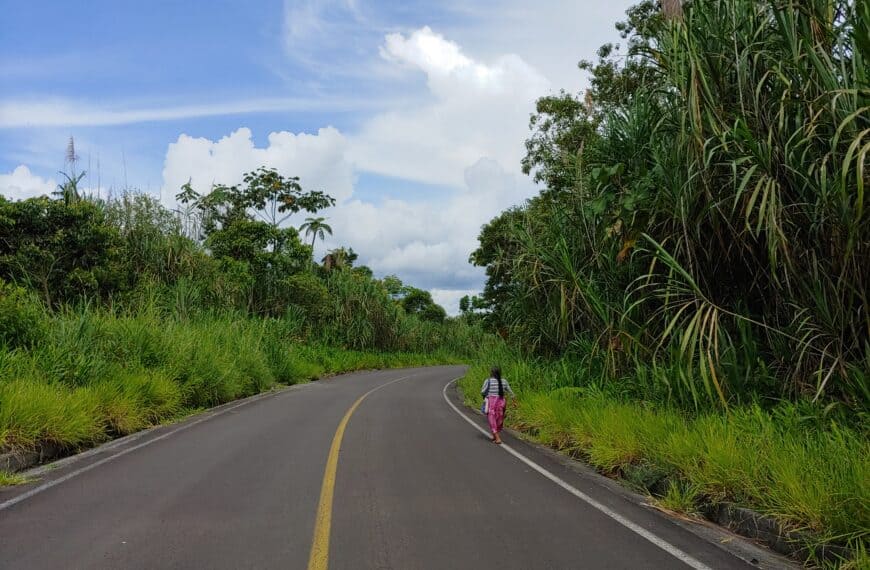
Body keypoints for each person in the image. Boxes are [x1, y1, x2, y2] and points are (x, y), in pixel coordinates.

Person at [480, 366, 513, 444]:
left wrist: (486, 396)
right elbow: (511, 392)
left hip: (492, 403)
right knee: (499, 419)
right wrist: (515, 402)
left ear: (492, 373)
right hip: (502, 402)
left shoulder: (488, 381)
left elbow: (483, 391)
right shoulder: (504, 381)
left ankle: (497, 438)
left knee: (492, 419)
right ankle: (495, 436)